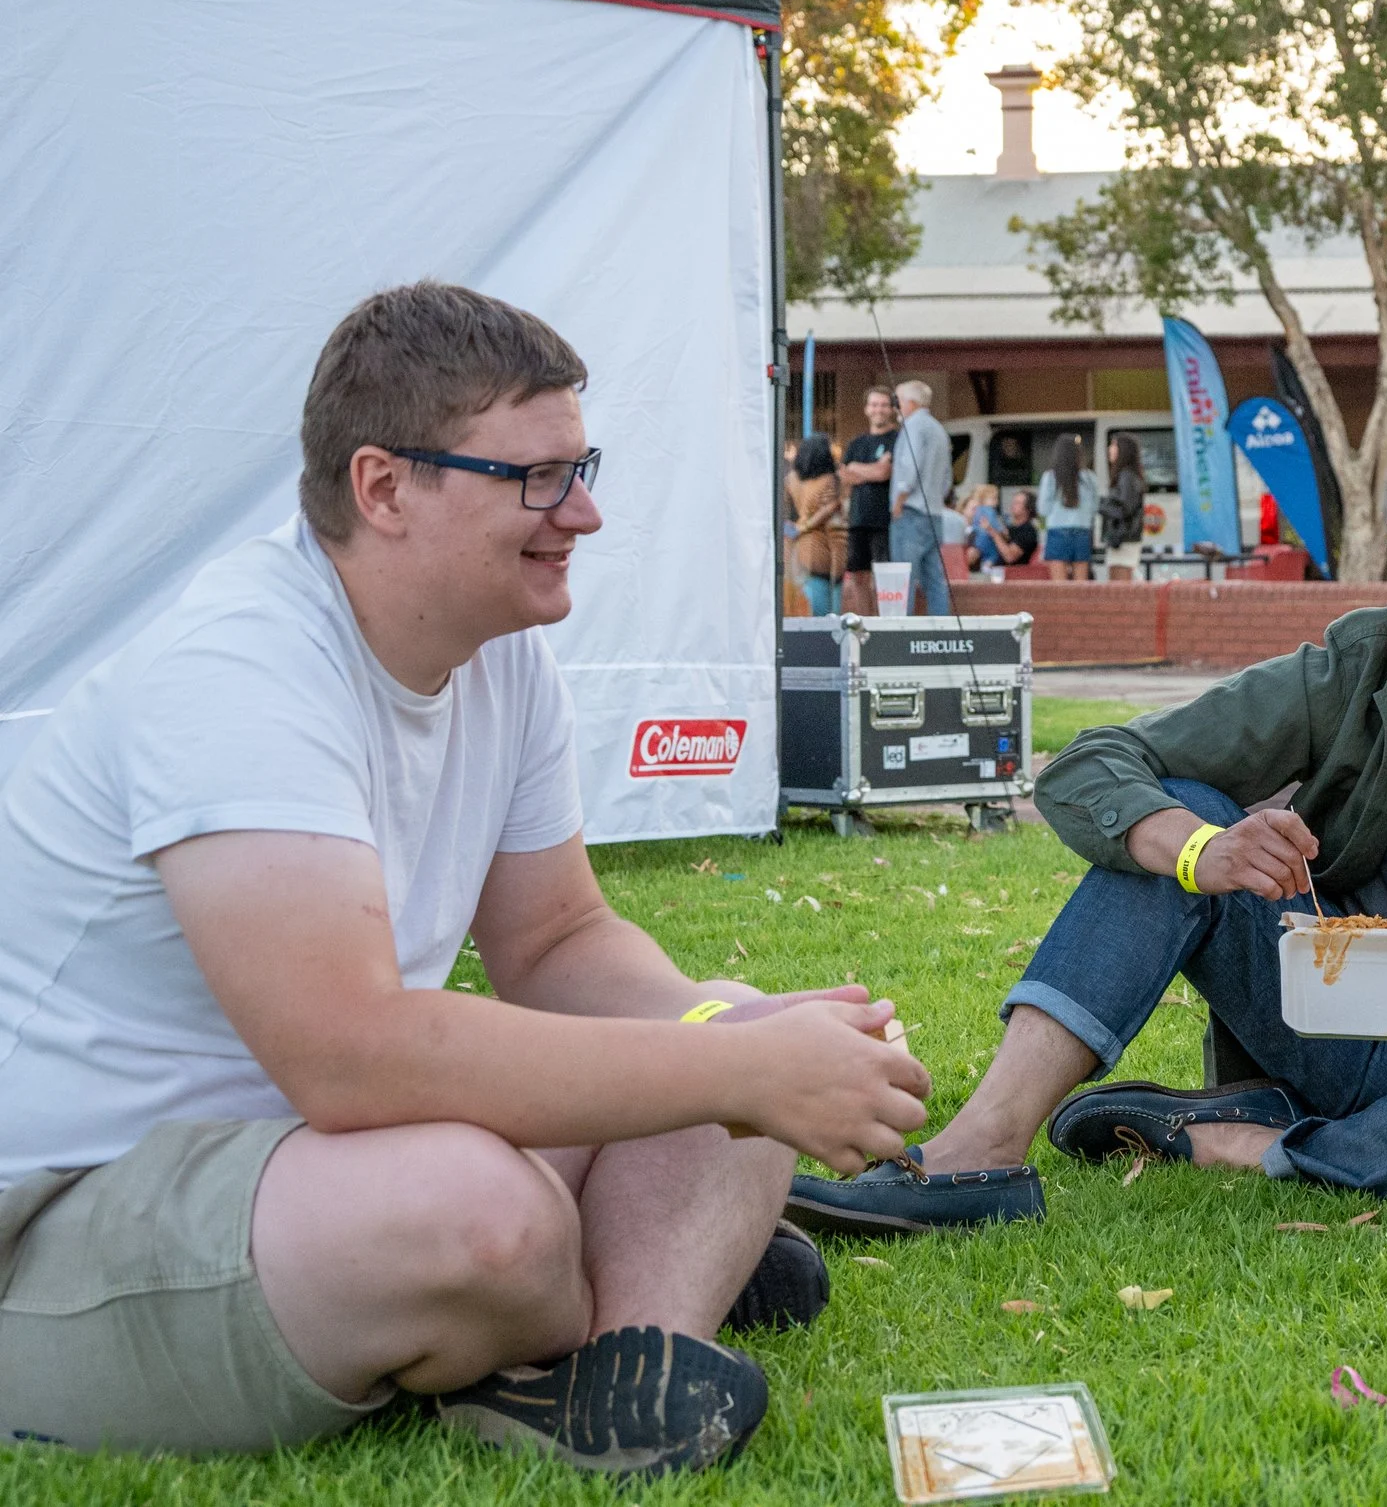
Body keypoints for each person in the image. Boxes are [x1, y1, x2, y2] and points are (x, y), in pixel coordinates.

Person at [0, 284, 932, 1473]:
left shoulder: (504, 660)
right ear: (383, 487)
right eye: (538, 476)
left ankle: (627, 1355)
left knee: (731, 1011)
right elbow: (349, 1054)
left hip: (302, 1163)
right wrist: (737, 1068)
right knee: (483, 1213)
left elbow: (555, 943)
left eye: (580, 465)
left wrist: (740, 1037)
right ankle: (618, 1274)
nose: (584, 512)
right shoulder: (236, 669)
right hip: (66, 1207)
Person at [781, 412, 1387, 1236]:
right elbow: (1089, 767)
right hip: (1325, 1016)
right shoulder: (1354, 663)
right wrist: (1200, 847)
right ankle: (982, 1148)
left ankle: (1246, 1142)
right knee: (1178, 824)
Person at [886, 380, 954, 614]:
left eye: (898, 401)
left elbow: (909, 466)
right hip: (934, 512)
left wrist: (899, 500)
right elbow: (947, 478)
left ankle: (902, 635)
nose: (896, 407)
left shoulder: (913, 426)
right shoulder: (938, 429)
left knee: (903, 579)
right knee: (933, 578)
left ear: (910, 403)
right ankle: (940, 632)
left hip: (911, 512)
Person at [837, 387, 898, 617]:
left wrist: (858, 470)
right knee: (858, 575)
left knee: (884, 576)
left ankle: (885, 624)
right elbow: (844, 475)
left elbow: (885, 473)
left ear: (891, 409)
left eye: (883, 405)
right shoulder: (856, 443)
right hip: (858, 518)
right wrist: (871, 469)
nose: (878, 410)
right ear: (866, 409)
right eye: (874, 405)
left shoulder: (897, 439)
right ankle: (867, 622)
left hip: (884, 519)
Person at [787, 435, 842, 616]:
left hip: (798, 546)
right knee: (828, 608)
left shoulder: (791, 479)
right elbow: (832, 508)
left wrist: (799, 527)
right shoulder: (830, 480)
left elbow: (788, 514)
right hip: (826, 544)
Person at [1039, 433, 1100, 581]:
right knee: (1080, 587)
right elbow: (1095, 508)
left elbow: (1043, 509)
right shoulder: (1090, 478)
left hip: (1057, 532)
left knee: (1060, 587)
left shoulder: (1050, 477)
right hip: (1082, 532)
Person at [1099, 432, 1147, 564]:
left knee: (1119, 582)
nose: (1110, 449)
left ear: (1124, 449)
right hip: (1124, 539)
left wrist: (1100, 505)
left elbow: (1124, 508)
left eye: (1114, 445)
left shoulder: (1126, 475)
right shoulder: (1129, 474)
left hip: (1124, 539)